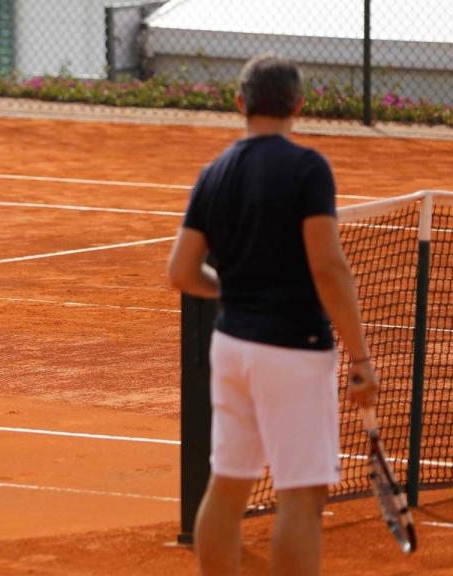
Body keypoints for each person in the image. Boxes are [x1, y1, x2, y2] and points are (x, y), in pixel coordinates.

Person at [168, 53, 379, 575]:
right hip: (294, 349)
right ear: (298, 106)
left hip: (232, 348)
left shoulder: (212, 173)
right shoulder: (308, 168)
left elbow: (182, 271)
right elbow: (328, 266)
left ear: (241, 103)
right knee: (300, 498)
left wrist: (235, 292)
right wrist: (361, 357)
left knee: (228, 484)